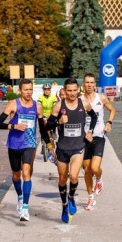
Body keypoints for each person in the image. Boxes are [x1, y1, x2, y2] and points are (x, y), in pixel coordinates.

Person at [0, 79, 50, 222]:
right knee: (16, 174)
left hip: (29, 144)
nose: (28, 92)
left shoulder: (37, 106)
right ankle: (20, 196)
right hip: (13, 144)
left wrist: (48, 143)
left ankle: (25, 208)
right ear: (20, 90)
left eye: (30, 89)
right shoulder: (13, 104)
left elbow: (42, 128)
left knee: (26, 173)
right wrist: (13, 127)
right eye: (25, 90)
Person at [46, 78, 97, 223]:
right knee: (63, 179)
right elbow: (47, 126)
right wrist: (58, 122)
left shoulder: (84, 103)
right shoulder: (59, 106)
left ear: (78, 90)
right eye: (69, 90)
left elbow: (94, 116)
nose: (72, 93)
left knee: (74, 177)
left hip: (78, 147)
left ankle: (71, 197)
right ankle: (64, 205)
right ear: (64, 91)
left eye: (75, 90)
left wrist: (90, 131)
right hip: (62, 148)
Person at [82, 73, 116, 210]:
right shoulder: (79, 100)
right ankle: (90, 198)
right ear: (83, 84)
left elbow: (112, 110)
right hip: (84, 138)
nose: (89, 85)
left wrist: (109, 123)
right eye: (87, 82)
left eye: (91, 82)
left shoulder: (101, 98)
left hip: (98, 137)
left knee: (95, 168)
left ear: (94, 84)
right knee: (87, 170)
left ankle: (99, 180)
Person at [38, 83, 58, 154]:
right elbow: (38, 105)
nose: (47, 91)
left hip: (51, 115)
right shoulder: (41, 97)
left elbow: (55, 106)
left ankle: (54, 133)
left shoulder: (53, 97)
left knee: (51, 125)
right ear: (43, 90)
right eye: (45, 89)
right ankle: (43, 144)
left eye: (48, 89)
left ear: (50, 90)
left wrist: (51, 114)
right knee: (42, 128)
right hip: (43, 115)